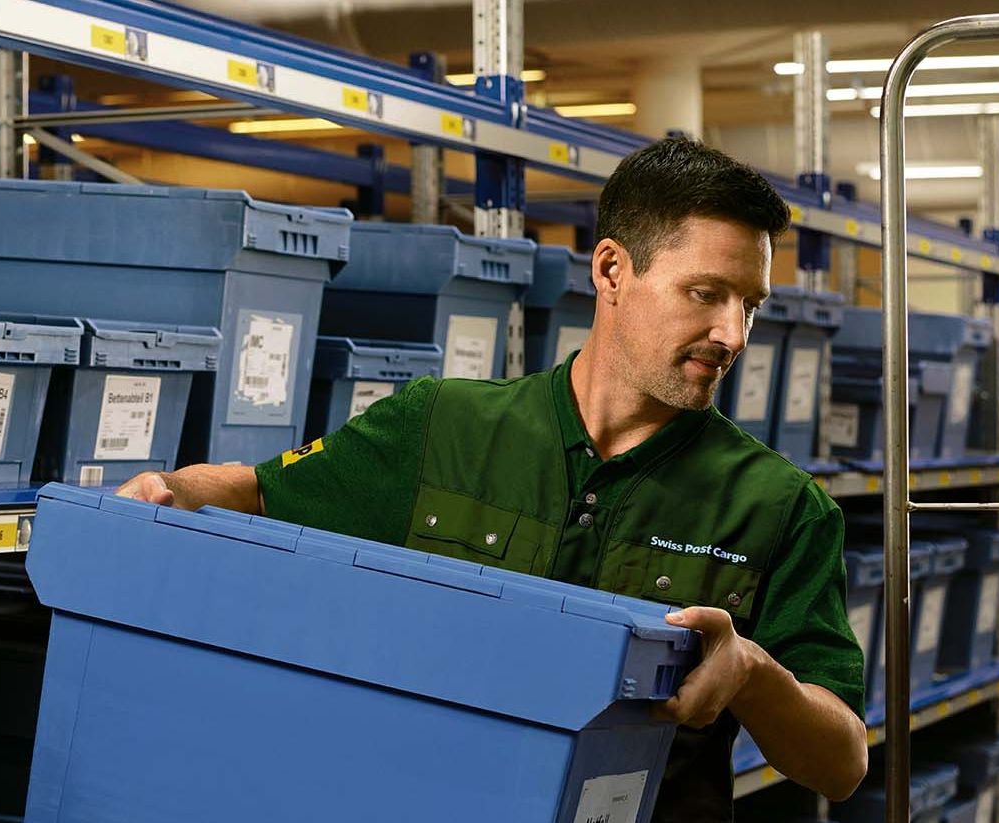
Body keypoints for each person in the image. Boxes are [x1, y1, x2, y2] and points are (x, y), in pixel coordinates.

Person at [117, 137, 868, 819]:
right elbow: (257, 490)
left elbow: (841, 765)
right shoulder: (439, 425)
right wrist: (172, 490)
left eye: (751, 305)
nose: (733, 334)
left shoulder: (782, 506)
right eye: (706, 293)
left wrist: (754, 672)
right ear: (612, 269)